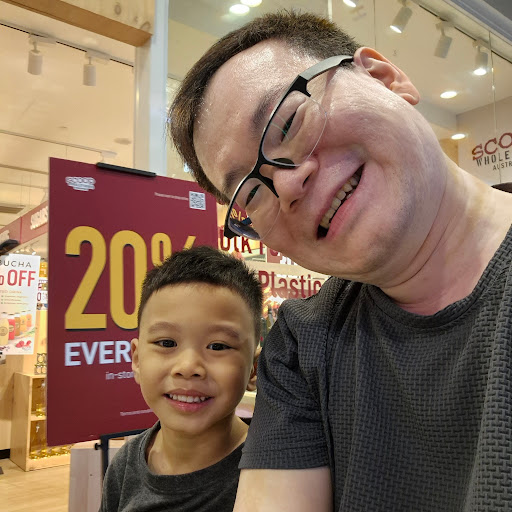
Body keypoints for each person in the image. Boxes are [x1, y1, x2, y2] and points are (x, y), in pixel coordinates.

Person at [169, 10, 512, 512]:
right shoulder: (303, 345)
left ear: (385, 78)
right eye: (251, 193)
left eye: (289, 121)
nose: (287, 183)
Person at [99, 246, 262, 511]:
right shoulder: (124, 466)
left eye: (218, 346)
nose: (188, 367)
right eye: (166, 342)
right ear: (137, 359)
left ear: (253, 369)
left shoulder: (271, 471)